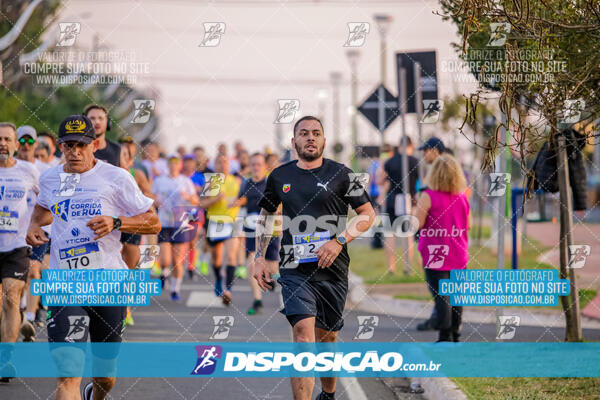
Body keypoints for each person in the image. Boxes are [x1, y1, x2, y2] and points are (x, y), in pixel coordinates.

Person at [26, 115, 160, 399]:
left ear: (95, 145)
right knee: (68, 374)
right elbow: (41, 209)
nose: (74, 152)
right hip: (66, 283)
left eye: (81, 145)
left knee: (105, 376)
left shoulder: (116, 177)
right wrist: (34, 226)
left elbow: (153, 222)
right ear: (60, 146)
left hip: (108, 284)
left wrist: (117, 223)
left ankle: (96, 394)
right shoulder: (51, 178)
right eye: (68, 145)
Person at [254, 116, 376, 400]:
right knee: (302, 334)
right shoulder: (280, 176)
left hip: (333, 269)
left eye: (316, 133)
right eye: (304, 133)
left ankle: (329, 394)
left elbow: (368, 215)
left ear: (323, 140)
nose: (310, 137)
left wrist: (339, 240)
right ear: (293, 141)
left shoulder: (343, 174)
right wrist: (259, 257)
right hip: (294, 267)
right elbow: (267, 215)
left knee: (327, 337)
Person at [413, 154, 470, 342]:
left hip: (435, 254)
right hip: (458, 253)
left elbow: (418, 223)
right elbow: (467, 224)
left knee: (441, 296)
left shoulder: (428, 196)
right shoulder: (462, 197)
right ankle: (455, 333)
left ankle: (444, 336)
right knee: (456, 296)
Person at [0, 122, 40, 365]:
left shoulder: (28, 171)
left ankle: (5, 360)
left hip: (17, 245)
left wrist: (40, 231)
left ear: (16, 145)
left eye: (7, 139)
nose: (2, 143)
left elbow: (46, 201)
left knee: (11, 298)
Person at [229, 153, 280, 315]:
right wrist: (235, 203)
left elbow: (281, 203)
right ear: (249, 166)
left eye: (258, 164)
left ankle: (271, 278)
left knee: (272, 266)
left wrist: (279, 213)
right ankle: (257, 301)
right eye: (253, 164)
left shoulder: (271, 183)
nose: (256, 167)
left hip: (270, 229)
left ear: (264, 166)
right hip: (252, 229)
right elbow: (242, 199)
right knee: (253, 262)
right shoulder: (246, 184)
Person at [15, 126, 51, 340]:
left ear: (36, 143)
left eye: (30, 142)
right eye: (22, 141)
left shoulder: (44, 170)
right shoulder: (9, 167)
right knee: (16, 277)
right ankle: (19, 312)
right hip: (11, 233)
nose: (26, 146)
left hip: (38, 230)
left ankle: (29, 316)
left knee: (33, 271)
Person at [153, 154, 199, 301]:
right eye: (171, 163)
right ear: (168, 165)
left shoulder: (185, 181)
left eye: (176, 163)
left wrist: (187, 197)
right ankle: (164, 272)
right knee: (165, 259)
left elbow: (196, 201)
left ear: (179, 165)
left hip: (180, 224)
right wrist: (156, 201)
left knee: (177, 261)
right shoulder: (159, 180)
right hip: (164, 223)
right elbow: (150, 195)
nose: (173, 165)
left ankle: (175, 289)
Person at [198, 154, 241, 305]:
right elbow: (201, 204)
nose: (222, 165)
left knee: (231, 256)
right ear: (215, 166)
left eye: (225, 162)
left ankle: (228, 290)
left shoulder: (236, 181)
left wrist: (239, 202)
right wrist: (215, 199)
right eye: (219, 163)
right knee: (216, 259)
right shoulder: (212, 181)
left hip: (231, 221)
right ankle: (218, 278)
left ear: (229, 165)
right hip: (214, 222)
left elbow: (245, 198)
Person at [377, 136, 419, 275]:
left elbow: (380, 181)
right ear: (411, 146)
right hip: (409, 200)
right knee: (408, 234)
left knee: (390, 233)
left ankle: (391, 267)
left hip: (392, 199)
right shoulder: (415, 161)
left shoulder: (389, 162)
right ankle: (407, 266)